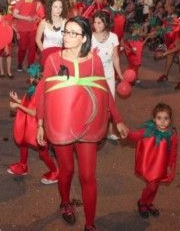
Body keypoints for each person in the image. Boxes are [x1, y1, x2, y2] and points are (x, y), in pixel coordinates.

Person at [36, 16, 129, 231]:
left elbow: (104, 92)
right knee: (66, 170)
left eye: (73, 33)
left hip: (88, 125)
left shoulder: (95, 60)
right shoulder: (52, 60)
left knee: (88, 176)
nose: (67, 36)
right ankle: (65, 203)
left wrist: (118, 119)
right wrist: (40, 123)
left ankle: (90, 224)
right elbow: (43, 94)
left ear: (84, 38)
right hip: (61, 126)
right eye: (66, 32)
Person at [7, 64, 58, 184]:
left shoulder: (39, 93)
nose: (29, 78)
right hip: (29, 124)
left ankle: (55, 172)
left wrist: (18, 105)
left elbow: (35, 112)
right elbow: (28, 103)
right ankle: (23, 166)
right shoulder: (32, 90)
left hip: (38, 126)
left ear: (37, 78)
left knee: (43, 152)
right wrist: (18, 100)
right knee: (23, 144)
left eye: (31, 76)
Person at [127, 103, 178, 219]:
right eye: (159, 118)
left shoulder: (172, 134)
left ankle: (149, 202)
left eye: (166, 118)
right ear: (154, 119)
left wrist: (170, 164)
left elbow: (173, 150)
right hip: (151, 165)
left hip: (162, 165)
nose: (163, 122)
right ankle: (142, 202)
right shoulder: (148, 131)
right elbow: (135, 136)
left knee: (156, 186)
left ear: (170, 120)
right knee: (152, 187)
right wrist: (126, 132)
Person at [91, 11, 124, 143]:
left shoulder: (113, 37)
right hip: (93, 76)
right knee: (94, 104)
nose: (96, 25)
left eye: (99, 22)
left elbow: (115, 57)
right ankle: (94, 130)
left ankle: (109, 131)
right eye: (94, 22)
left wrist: (120, 75)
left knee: (110, 106)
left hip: (109, 76)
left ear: (105, 23)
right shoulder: (90, 36)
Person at [154, 5, 180, 90]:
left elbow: (178, 47)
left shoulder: (171, 30)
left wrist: (163, 53)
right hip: (178, 32)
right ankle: (165, 75)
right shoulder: (165, 27)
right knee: (170, 54)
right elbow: (154, 33)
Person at [13, 0, 43, 71]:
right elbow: (14, 14)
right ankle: (19, 63)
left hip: (32, 28)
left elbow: (36, 13)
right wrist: (27, 18)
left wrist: (36, 17)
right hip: (22, 29)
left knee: (32, 48)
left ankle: (30, 65)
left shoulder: (34, 2)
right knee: (22, 48)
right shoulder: (21, 1)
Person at [35, 0, 67, 66]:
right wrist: (44, 52)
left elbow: (68, 40)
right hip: (46, 53)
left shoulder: (65, 22)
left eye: (60, 7)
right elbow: (37, 39)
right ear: (50, 8)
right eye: (55, 7)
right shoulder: (43, 22)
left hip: (60, 54)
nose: (58, 10)